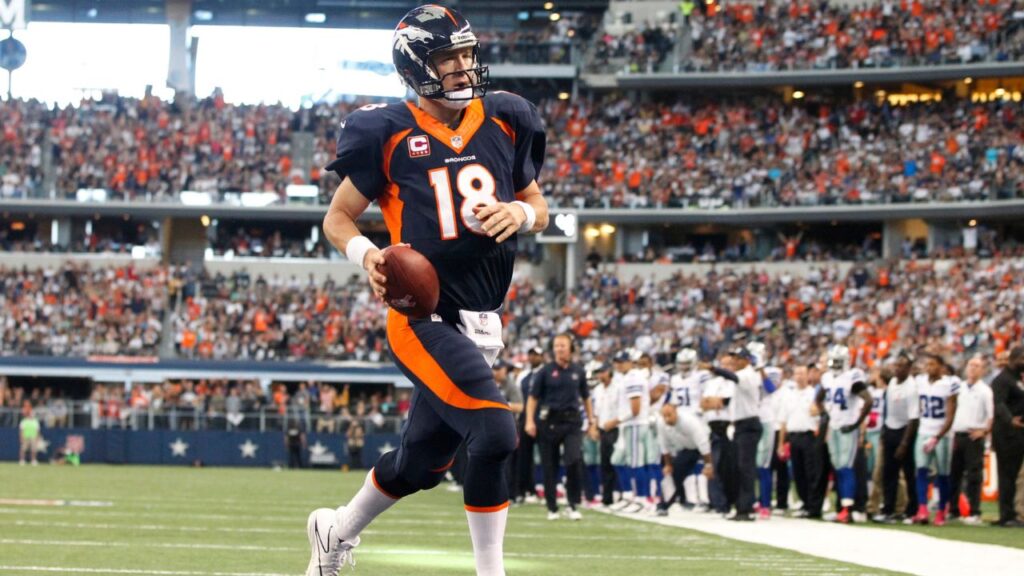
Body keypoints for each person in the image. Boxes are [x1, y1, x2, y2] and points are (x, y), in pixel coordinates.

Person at [309, 5, 549, 576]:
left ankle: (334, 531)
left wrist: (518, 212)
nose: (464, 68)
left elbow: (538, 206)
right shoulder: (387, 130)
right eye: (450, 58)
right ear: (417, 65)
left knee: (420, 464)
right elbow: (337, 217)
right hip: (423, 318)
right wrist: (368, 254)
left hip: (484, 319)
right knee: (494, 432)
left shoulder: (508, 117)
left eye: (467, 54)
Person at [525, 333, 595, 520]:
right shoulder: (545, 371)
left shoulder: (578, 371)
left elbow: (586, 398)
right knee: (550, 465)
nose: (559, 349)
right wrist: (529, 421)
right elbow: (533, 398)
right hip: (549, 423)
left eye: (563, 345)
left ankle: (573, 504)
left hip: (572, 422)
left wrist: (592, 420)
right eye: (556, 345)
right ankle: (552, 507)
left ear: (571, 348)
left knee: (573, 459)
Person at [819, 344, 872, 523]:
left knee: (846, 468)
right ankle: (842, 507)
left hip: (848, 427)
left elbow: (868, 400)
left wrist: (856, 423)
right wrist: (826, 414)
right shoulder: (827, 378)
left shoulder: (852, 376)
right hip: (834, 427)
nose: (834, 364)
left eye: (837, 361)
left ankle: (848, 509)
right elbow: (819, 398)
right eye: (832, 361)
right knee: (839, 468)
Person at [910, 353, 959, 526]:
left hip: (942, 435)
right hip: (924, 431)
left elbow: (951, 414)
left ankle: (940, 511)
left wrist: (938, 437)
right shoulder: (920, 381)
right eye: (927, 364)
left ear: (941, 367)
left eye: (933, 364)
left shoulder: (950, 384)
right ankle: (922, 508)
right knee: (921, 470)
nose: (929, 368)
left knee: (943, 474)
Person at [949, 355, 993, 525]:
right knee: (955, 474)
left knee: (974, 475)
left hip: (973, 436)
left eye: (977, 366)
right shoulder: (960, 387)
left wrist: (984, 431)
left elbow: (991, 415)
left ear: (982, 370)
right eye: (971, 365)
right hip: (958, 434)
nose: (973, 369)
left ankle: (975, 511)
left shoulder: (985, 391)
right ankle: (953, 509)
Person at [878, 352, 919, 523]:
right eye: (896, 365)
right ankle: (888, 509)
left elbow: (913, 418)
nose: (897, 368)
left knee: (909, 473)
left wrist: (904, 443)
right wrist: (884, 431)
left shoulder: (911, 388)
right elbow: (888, 409)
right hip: (890, 429)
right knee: (889, 473)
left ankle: (912, 510)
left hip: (905, 432)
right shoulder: (893, 382)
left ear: (909, 368)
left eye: (901, 366)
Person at [777, 365, 823, 518]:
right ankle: (804, 502)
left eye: (802, 373)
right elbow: (783, 421)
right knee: (797, 473)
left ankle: (813, 505)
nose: (799, 376)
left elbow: (819, 414)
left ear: (807, 375)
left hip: (809, 435)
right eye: (797, 373)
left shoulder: (814, 393)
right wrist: (781, 443)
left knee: (811, 472)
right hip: (794, 436)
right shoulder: (789, 395)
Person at [656, 402, 713, 515]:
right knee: (674, 473)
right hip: (688, 448)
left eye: (669, 415)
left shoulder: (689, 422)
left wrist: (708, 465)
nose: (667, 419)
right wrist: (668, 465)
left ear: (676, 412)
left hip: (708, 444)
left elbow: (704, 444)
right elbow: (664, 446)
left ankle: (715, 504)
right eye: (664, 416)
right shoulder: (661, 424)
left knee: (712, 472)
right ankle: (665, 505)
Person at [990, 345, 1024, 527]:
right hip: (1006, 434)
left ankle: (1012, 513)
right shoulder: (1002, 380)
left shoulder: (1018, 379)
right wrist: (1011, 420)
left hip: (1018, 433)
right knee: (1007, 474)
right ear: (1014, 359)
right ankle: (1007, 515)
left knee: (1013, 474)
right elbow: (998, 404)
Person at [513, 346, 545, 503]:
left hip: (543, 420)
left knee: (546, 457)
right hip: (525, 419)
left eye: (536, 355)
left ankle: (543, 489)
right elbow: (520, 399)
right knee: (523, 457)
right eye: (531, 355)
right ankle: (522, 490)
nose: (533, 358)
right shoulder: (523, 376)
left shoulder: (546, 374)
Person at [591, 362, 621, 508]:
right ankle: (607, 498)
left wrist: (615, 422)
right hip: (603, 429)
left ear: (609, 371)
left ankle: (620, 494)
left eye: (602, 372)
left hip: (616, 429)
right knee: (605, 464)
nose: (600, 375)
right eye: (598, 372)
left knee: (616, 463)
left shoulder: (618, 388)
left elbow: (622, 409)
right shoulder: (597, 390)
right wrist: (595, 427)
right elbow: (596, 412)